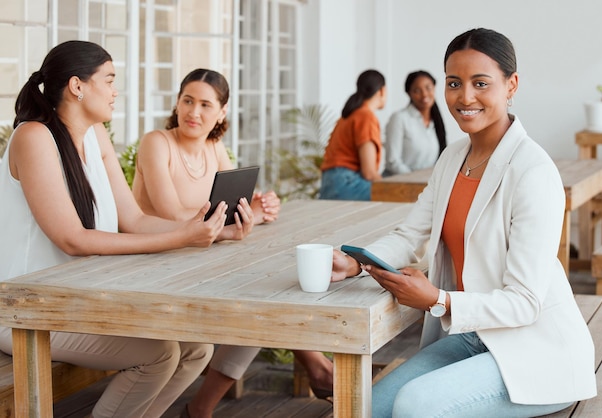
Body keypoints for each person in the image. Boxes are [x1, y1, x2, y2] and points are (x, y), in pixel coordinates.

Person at [330, 28, 597, 417]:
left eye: (481, 83)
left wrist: (438, 299)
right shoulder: (453, 157)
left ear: (511, 85)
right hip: (474, 338)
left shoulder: (533, 171)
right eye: (454, 83)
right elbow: (410, 235)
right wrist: (358, 261)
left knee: (415, 407)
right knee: (368, 408)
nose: (464, 97)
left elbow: (525, 303)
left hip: (537, 351)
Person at [0, 41, 230, 417]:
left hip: (78, 300)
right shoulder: (34, 137)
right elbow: (72, 239)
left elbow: (134, 219)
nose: (115, 91)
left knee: (196, 347)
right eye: (108, 80)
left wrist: (210, 230)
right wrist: (182, 237)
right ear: (77, 86)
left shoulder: (95, 135)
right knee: (159, 353)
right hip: (25, 310)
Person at [132, 68, 333, 418]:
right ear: (177, 104)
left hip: (197, 259)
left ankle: (203, 408)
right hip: (154, 264)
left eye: (206, 105)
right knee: (258, 300)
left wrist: (259, 206)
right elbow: (173, 214)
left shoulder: (214, 147)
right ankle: (318, 367)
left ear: (221, 112)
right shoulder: (156, 142)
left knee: (264, 293)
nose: (195, 112)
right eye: (188, 101)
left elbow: (234, 203)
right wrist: (226, 229)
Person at [319, 69, 386, 200]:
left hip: (329, 183)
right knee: (397, 196)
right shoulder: (366, 116)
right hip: (346, 184)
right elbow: (369, 173)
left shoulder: (349, 115)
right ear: (382, 91)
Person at [384, 70, 447, 176]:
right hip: (398, 184)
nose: (424, 94)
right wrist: (416, 180)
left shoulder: (435, 122)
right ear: (409, 94)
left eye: (428, 88)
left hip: (424, 185)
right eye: (417, 90)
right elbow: (393, 161)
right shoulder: (399, 118)